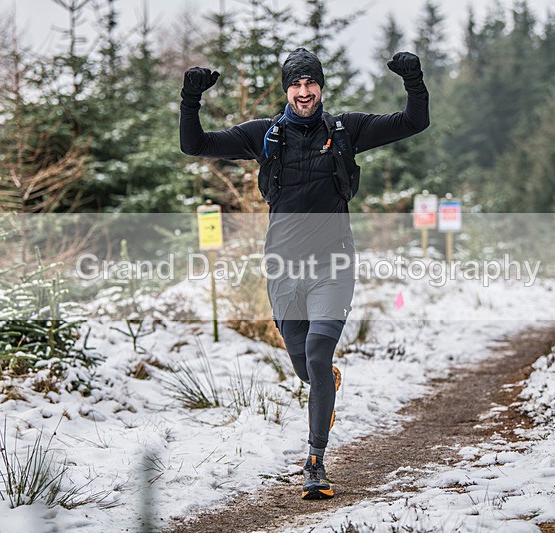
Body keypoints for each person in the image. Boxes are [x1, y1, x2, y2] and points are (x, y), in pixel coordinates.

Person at [180, 47, 429, 500]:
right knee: (305, 367)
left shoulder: (345, 129)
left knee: (317, 353)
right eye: (295, 84)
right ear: (286, 89)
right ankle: (323, 384)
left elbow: (413, 122)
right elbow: (194, 145)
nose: (303, 91)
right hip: (282, 268)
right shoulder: (264, 136)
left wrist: (413, 79)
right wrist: (189, 101)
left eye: (310, 82)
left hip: (333, 265)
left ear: (320, 85)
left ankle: (315, 461)